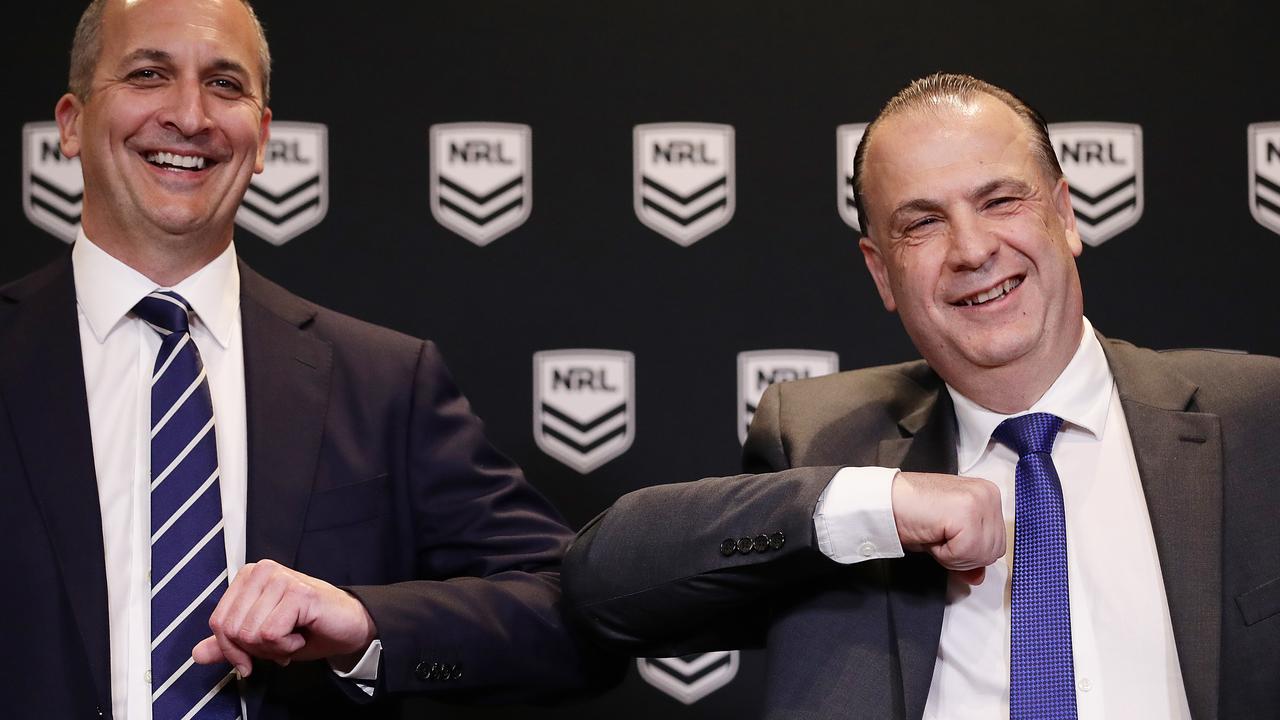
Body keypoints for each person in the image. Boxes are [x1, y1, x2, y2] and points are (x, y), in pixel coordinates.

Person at [563, 73, 1280, 720]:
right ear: (880, 271)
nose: (971, 250)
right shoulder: (823, 437)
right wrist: (876, 507)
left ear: (1064, 215)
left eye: (999, 200)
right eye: (923, 223)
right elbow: (602, 591)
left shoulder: (1258, 415)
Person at [0, 0, 617, 717]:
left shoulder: (384, 382)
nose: (191, 116)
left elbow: (573, 613)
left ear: (261, 139)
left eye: (226, 85)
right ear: (72, 123)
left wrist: (365, 623)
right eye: (148, 74)